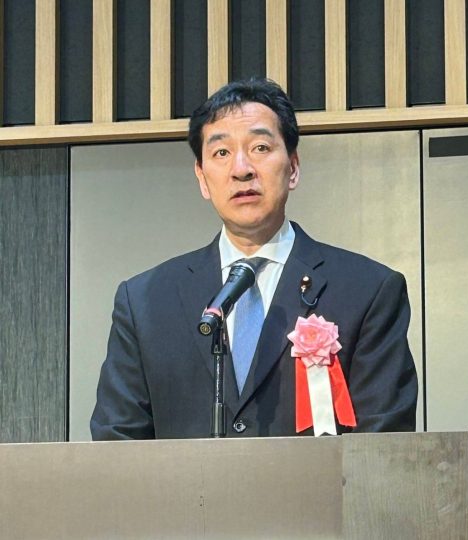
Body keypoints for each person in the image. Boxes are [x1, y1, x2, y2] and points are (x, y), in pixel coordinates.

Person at [91, 78, 417, 440]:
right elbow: (116, 442)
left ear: (293, 167)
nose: (241, 168)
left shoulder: (368, 290)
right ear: (202, 178)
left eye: (260, 147)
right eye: (221, 153)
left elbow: (383, 446)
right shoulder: (145, 301)